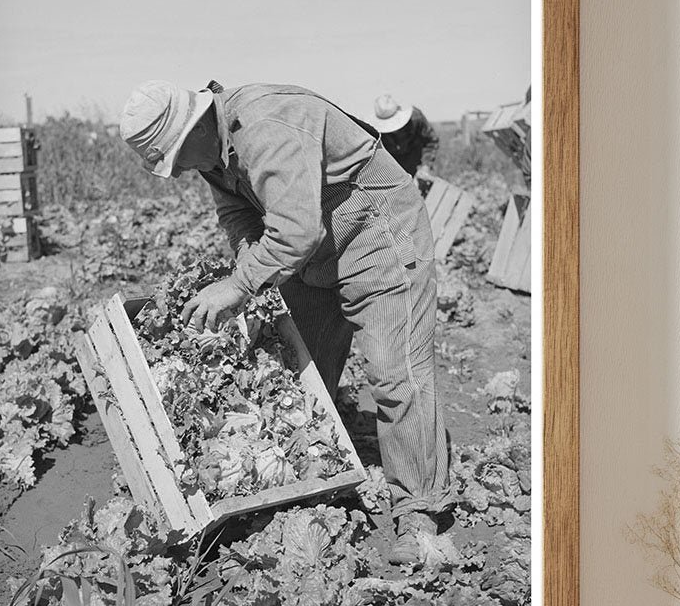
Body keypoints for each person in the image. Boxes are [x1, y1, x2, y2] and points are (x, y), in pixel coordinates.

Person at [118, 80, 454, 565]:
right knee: (301, 374)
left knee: (395, 374)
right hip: (315, 252)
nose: (183, 169)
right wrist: (246, 262)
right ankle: (307, 482)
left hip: (377, 233)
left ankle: (420, 515)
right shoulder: (213, 151)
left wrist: (238, 285)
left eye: (176, 157)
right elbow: (237, 213)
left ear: (194, 125)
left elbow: (295, 230)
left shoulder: (264, 125)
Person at [372, 94, 439, 183]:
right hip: (394, 167)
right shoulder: (375, 132)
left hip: (417, 159)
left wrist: (426, 166)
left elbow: (431, 141)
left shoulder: (416, 118)